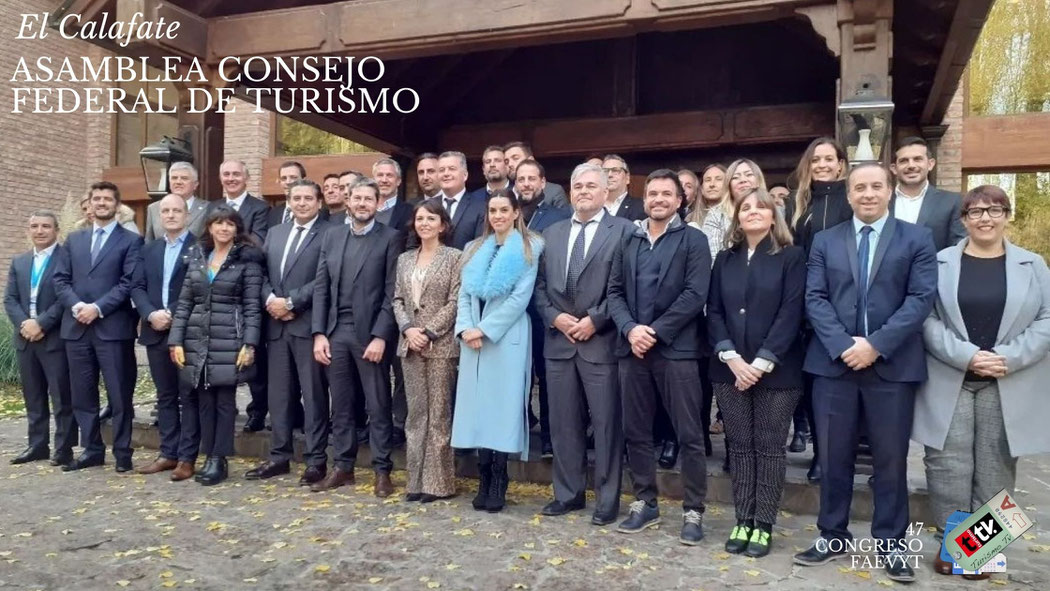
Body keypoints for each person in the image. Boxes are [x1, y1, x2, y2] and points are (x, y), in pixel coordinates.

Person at [793, 163, 937, 584]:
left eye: (876, 186)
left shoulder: (917, 239)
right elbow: (814, 297)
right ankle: (831, 535)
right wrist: (844, 345)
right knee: (833, 457)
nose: (868, 194)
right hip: (834, 366)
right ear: (849, 194)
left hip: (891, 367)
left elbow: (920, 298)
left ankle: (891, 545)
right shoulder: (825, 240)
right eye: (860, 187)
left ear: (890, 190)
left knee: (891, 462)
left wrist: (876, 345)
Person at [913, 184, 1050, 579]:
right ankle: (953, 546)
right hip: (952, 375)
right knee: (946, 465)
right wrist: (966, 355)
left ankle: (981, 552)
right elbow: (925, 317)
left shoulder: (1033, 264)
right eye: (975, 212)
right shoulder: (938, 263)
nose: (985, 218)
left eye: (994, 210)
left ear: (1008, 215)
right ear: (963, 221)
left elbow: (1046, 318)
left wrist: (1006, 358)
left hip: (1008, 379)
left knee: (997, 466)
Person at [607, 169, 711, 545]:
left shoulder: (693, 241)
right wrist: (631, 329)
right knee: (636, 431)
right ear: (644, 197)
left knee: (689, 434)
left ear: (680, 200)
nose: (659, 200)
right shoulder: (630, 240)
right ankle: (645, 502)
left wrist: (655, 332)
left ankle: (694, 510)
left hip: (676, 350)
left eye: (667, 194)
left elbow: (695, 294)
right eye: (652, 193)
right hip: (631, 349)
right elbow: (614, 291)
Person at [707, 187, 806, 558]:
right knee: (741, 448)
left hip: (777, 373)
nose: (752, 212)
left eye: (760, 208)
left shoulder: (791, 257)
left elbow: (791, 312)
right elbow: (713, 311)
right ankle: (742, 519)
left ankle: (763, 524)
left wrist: (762, 361)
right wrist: (731, 357)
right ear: (737, 217)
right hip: (729, 370)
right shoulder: (724, 259)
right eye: (745, 207)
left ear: (773, 215)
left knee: (768, 448)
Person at [533, 163, 632, 525]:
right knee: (562, 424)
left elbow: (627, 286)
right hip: (559, 342)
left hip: (600, 343)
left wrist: (597, 319)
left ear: (607, 192)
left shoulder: (623, 231)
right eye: (577, 185)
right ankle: (568, 493)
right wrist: (553, 317)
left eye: (591, 185)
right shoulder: (552, 232)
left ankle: (607, 499)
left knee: (606, 426)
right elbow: (539, 286)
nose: (583, 191)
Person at [451, 188, 544, 513]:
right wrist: (465, 328)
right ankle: (483, 474)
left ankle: (500, 477)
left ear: (516, 212)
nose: (498, 216)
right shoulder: (475, 248)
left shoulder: (530, 247)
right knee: (478, 408)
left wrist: (486, 329)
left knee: (501, 408)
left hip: (505, 337)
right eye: (493, 210)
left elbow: (521, 298)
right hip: (472, 338)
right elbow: (464, 293)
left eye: (505, 210)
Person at [312, 177, 403, 496]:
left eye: (369, 199)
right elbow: (322, 287)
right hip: (336, 333)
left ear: (379, 204)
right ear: (348, 202)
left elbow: (393, 292)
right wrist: (319, 333)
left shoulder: (391, 238)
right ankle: (344, 467)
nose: (362, 203)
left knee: (378, 405)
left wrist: (381, 336)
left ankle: (382, 470)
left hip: (371, 335)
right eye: (357, 198)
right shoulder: (332, 236)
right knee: (342, 405)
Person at [169, 207, 264, 486]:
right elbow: (185, 302)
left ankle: (218, 459)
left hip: (230, 339)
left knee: (224, 401)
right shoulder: (198, 257)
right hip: (197, 338)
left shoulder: (247, 261)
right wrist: (175, 340)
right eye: (218, 223)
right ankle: (206, 453)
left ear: (237, 229)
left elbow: (252, 307)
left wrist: (250, 343)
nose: (223, 228)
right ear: (209, 227)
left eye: (229, 224)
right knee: (203, 401)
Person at [53, 181, 143, 473]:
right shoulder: (73, 240)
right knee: (83, 395)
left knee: (119, 395)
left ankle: (122, 452)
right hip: (76, 328)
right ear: (89, 204)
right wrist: (79, 307)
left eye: (107, 199)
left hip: (113, 329)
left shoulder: (130, 241)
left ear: (117, 206)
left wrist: (98, 308)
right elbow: (60, 280)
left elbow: (129, 282)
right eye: (97, 199)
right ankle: (91, 450)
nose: (101, 203)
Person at [246, 180, 330, 486]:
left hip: (307, 324)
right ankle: (279, 456)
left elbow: (325, 278)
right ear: (289, 201)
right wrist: (271, 301)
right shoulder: (276, 232)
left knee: (314, 395)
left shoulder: (330, 233)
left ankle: (316, 459)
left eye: (309, 198)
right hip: (276, 326)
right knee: (279, 396)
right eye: (297, 198)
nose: (302, 203)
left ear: (319, 202)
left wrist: (292, 302)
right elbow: (262, 273)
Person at [787, 137, 851, 482]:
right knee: (813, 386)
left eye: (829, 159)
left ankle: (839, 456)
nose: (823, 165)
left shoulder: (851, 200)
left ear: (841, 164)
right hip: (805, 307)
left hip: (842, 304)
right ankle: (821, 455)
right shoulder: (800, 203)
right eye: (816, 160)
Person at [392, 200, 462, 503]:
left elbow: (456, 300)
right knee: (416, 415)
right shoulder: (405, 259)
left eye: (431, 218)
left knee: (439, 416)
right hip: (410, 345)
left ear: (442, 225)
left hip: (440, 345)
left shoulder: (455, 257)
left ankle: (438, 484)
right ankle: (415, 482)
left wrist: (429, 331)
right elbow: (397, 300)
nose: (424, 223)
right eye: (420, 218)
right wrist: (408, 329)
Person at [130, 195, 198, 481]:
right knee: (165, 396)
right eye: (165, 210)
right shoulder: (150, 249)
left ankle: (187, 457)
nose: (170, 215)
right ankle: (168, 453)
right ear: (159, 216)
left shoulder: (200, 248)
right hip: (155, 331)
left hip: (187, 334)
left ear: (187, 215)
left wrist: (171, 313)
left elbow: (199, 288)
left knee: (189, 396)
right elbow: (137, 285)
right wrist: (150, 314)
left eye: (176, 210)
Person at [4, 211, 75, 467]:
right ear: (28, 230)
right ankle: (37, 445)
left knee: (61, 397)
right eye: (34, 226)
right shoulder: (20, 262)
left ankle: (64, 448)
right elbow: (10, 299)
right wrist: (25, 324)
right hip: (25, 338)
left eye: (46, 226)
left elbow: (65, 298)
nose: (40, 231)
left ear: (56, 230)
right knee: (33, 396)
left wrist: (41, 323)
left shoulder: (66, 258)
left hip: (53, 337)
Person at [517, 158, 572, 457]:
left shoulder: (558, 216)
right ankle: (521, 433)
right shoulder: (510, 214)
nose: (526, 184)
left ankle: (550, 437)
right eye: (521, 179)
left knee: (548, 375)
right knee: (517, 376)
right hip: (514, 312)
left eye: (531, 179)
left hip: (545, 309)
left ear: (542, 183)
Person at [213, 159, 271, 432]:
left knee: (252, 353)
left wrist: (226, 252)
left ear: (246, 178)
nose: (231, 178)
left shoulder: (260, 208)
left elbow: (256, 245)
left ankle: (257, 411)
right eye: (226, 174)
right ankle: (223, 409)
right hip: (219, 292)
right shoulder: (212, 208)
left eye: (236, 174)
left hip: (248, 286)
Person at [889, 136, 967, 251]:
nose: (911, 165)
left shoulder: (952, 202)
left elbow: (958, 247)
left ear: (930, 164)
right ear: (894, 168)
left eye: (917, 159)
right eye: (904, 161)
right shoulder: (882, 202)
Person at [433, 151, 486, 250]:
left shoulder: (480, 207)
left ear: (465, 175)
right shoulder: (429, 206)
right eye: (441, 170)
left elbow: (481, 247)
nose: (446, 174)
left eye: (451, 169)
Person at [144, 162, 209, 240]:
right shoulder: (153, 208)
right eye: (174, 178)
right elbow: (149, 243)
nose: (178, 182)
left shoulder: (208, 208)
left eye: (184, 178)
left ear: (195, 184)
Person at [504, 141, 569, 208]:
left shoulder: (553, 192)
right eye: (506, 162)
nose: (510, 164)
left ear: (531, 160)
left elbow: (563, 217)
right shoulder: (503, 195)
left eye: (515, 158)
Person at [601, 154, 644, 221]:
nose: (609, 175)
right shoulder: (592, 206)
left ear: (627, 178)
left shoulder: (641, 207)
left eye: (615, 170)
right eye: (605, 171)